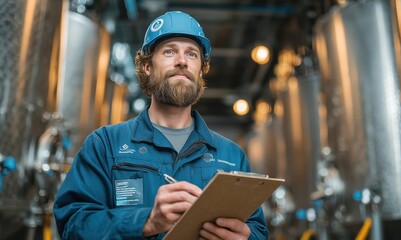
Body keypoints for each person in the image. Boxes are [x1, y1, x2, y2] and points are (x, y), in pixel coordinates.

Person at [53, 11, 268, 239]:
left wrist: (246, 237)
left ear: (201, 71)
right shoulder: (105, 145)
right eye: (169, 51)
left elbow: (257, 230)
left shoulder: (231, 155)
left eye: (192, 54)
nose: (182, 61)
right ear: (147, 67)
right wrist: (146, 222)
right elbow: (72, 224)